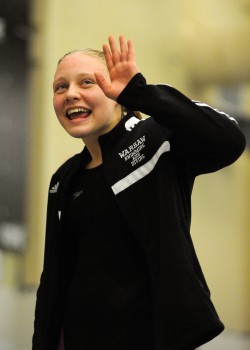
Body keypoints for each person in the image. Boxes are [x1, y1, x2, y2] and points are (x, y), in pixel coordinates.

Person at [32, 35, 246, 350]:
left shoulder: (154, 140)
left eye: (87, 82)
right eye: (60, 87)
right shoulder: (63, 179)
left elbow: (229, 138)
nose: (71, 94)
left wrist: (141, 93)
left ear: (117, 94)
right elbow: (52, 281)